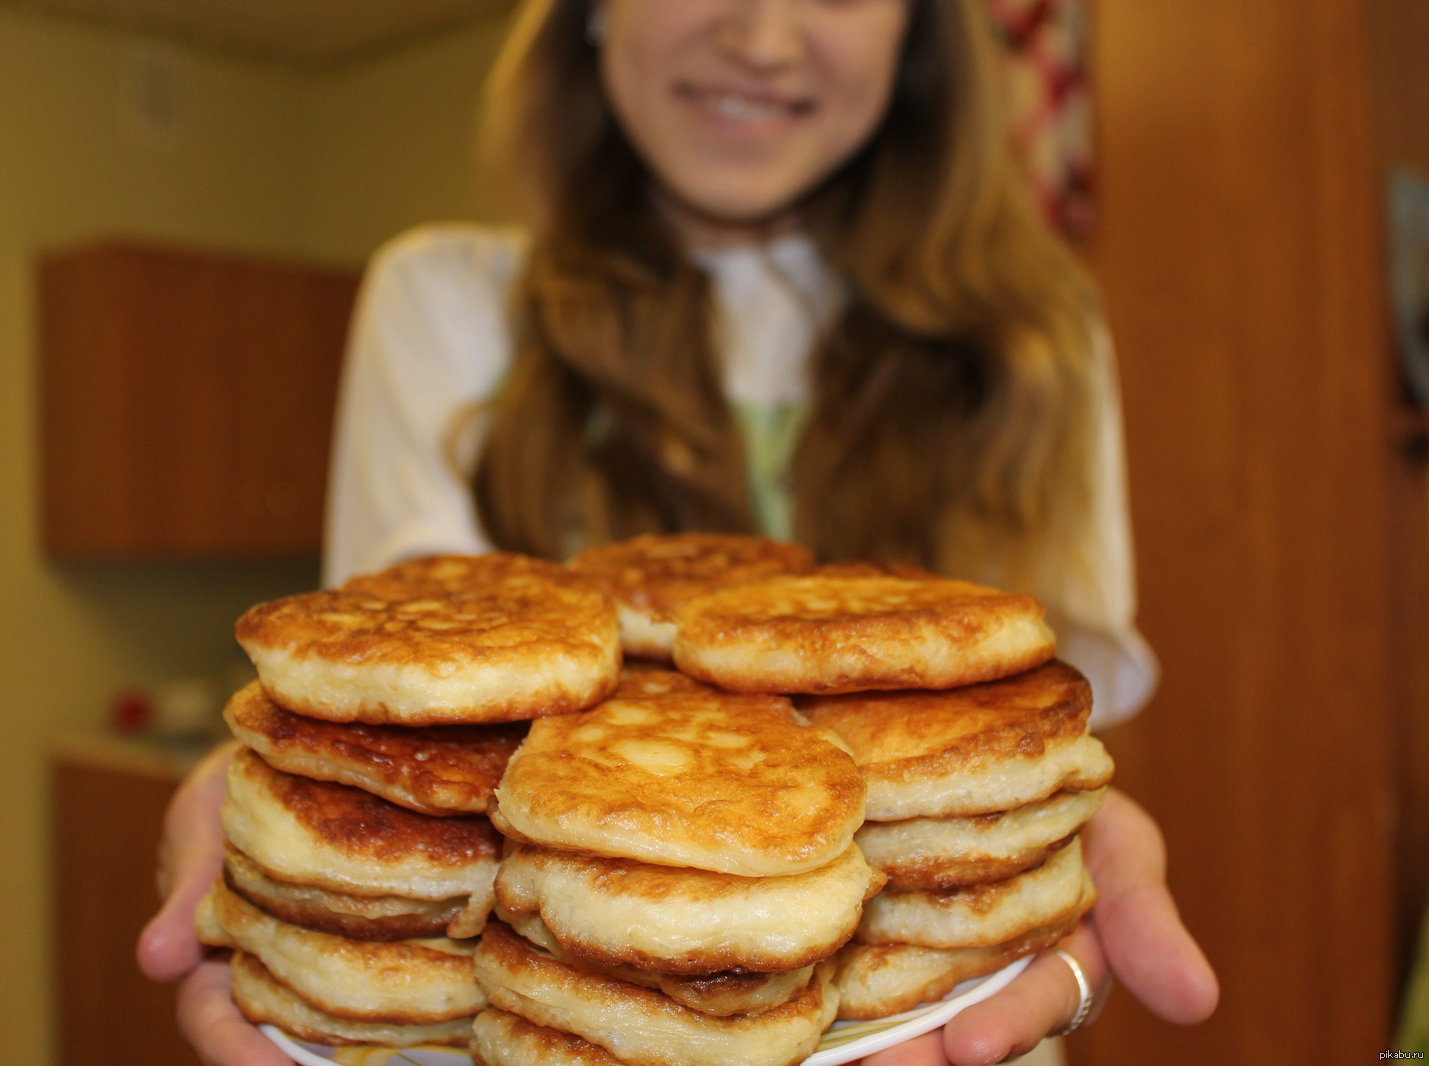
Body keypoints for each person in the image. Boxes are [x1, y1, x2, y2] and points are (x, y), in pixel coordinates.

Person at [137, 1, 1220, 1063]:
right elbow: (382, 702)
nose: (762, 35)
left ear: (918, 30)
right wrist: (272, 843)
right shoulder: (445, 298)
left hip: (952, 1027)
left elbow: (1034, 741)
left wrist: (1039, 864)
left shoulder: (1037, 340)